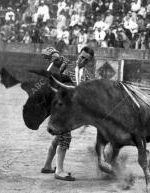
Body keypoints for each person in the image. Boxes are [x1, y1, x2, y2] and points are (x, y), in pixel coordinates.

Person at [40, 46, 94, 181]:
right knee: (65, 138)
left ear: (90, 61)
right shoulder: (67, 65)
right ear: (78, 55)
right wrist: (52, 53)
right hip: (60, 109)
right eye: (81, 57)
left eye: (86, 60)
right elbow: (57, 58)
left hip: (72, 112)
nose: (82, 60)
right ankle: (59, 171)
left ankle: (47, 165)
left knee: (59, 137)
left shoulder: (88, 76)